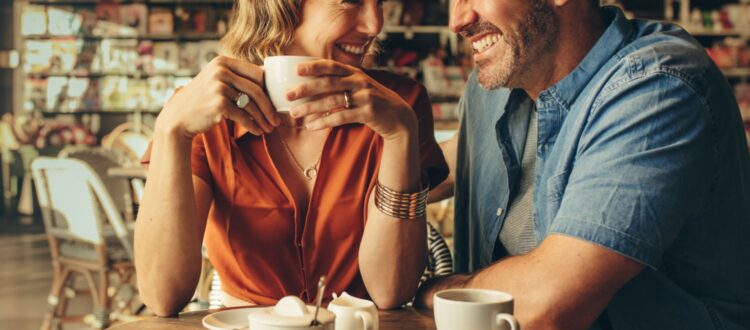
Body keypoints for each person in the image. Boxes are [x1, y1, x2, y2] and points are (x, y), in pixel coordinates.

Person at [418, 0, 750, 329]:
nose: (457, 20)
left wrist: (437, 291)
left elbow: (547, 304)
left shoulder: (657, 88)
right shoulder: (499, 87)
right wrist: (393, 137)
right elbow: (450, 162)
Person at [135, 0, 448, 316]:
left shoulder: (399, 107)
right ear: (286, 6)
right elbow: (163, 295)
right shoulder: (206, 112)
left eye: (379, 3)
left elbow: (391, 290)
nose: (375, 24)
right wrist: (170, 131)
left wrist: (400, 136)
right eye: (351, 2)